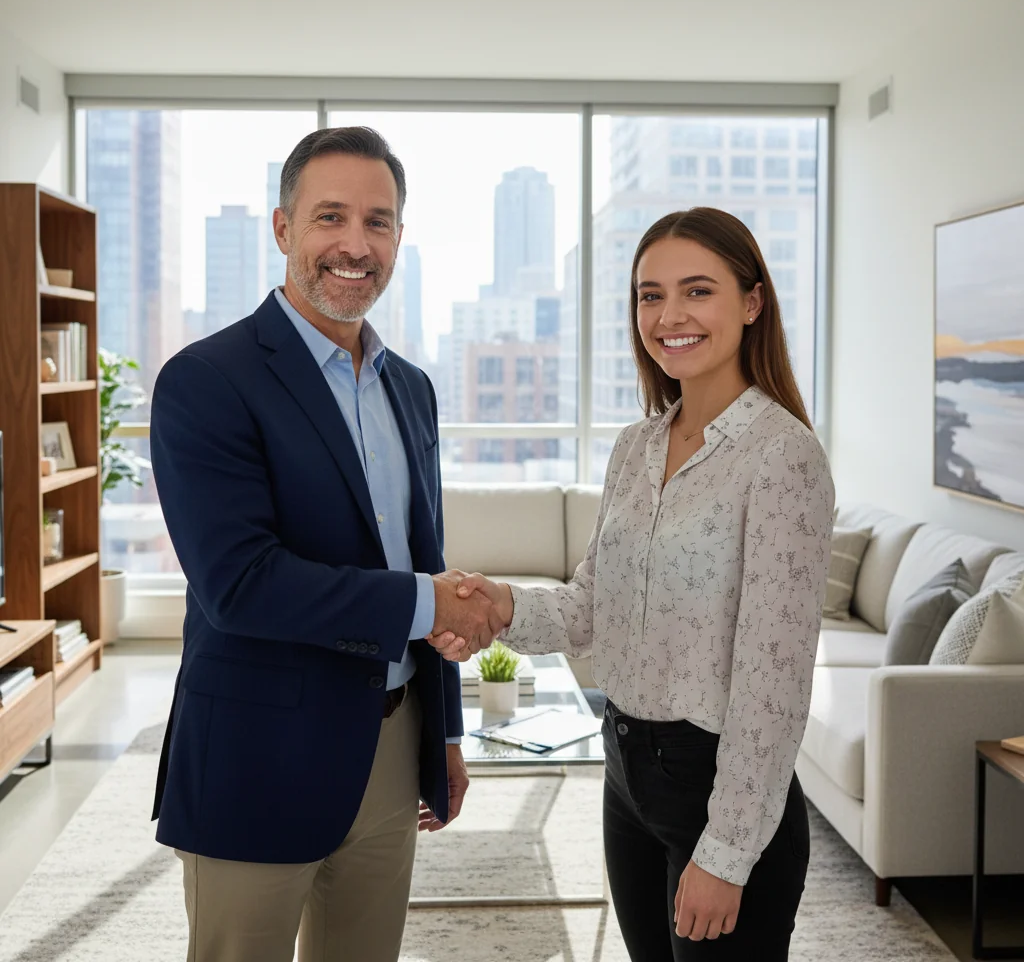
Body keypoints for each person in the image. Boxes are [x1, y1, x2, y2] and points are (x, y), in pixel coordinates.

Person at [435, 208, 835, 960]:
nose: (669, 316)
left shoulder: (783, 457)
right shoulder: (636, 445)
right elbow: (590, 610)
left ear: (752, 304)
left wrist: (725, 852)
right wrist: (500, 604)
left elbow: (773, 681)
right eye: (650, 295)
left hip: (720, 792)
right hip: (627, 776)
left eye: (697, 291)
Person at [149, 126, 500, 962]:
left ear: (399, 240)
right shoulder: (207, 380)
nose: (355, 244)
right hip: (259, 753)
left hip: (391, 746)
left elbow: (423, 554)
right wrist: (430, 603)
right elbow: (241, 583)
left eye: (377, 222)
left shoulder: (410, 389)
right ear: (282, 229)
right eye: (330, 217)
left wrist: (443, 734)